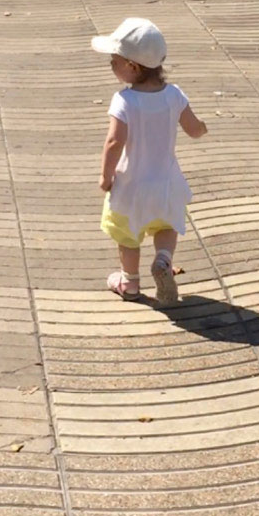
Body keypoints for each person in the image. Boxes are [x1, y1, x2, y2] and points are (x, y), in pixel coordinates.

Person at [91, 18, 207, 306]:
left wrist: (106, 177)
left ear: (133, 66)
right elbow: (194, 129)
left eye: (114, 62)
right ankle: (164, 261)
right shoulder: (174, 95)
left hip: (131, 186)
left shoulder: (124, 101)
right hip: (165, 183)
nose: (111, 66)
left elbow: (114, 142)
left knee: (127, 235)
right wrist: (204, 127)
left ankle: (129, 282)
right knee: (166, 226)